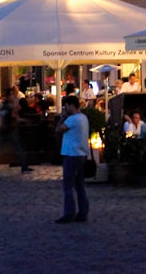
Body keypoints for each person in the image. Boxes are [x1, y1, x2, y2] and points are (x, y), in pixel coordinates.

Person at [54, 95, 91, 224]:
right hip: (82, 154)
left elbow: (58, 130)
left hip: (71, 155)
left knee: (68, 186)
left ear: (70, 105)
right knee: (80, 185)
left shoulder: (72, 120)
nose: (65, 108)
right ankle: (83, 212)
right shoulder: (84, 118)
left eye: (66, 106)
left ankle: (69, 213)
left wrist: (63, 117)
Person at [0, 90, 31, 173]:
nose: (13, 96)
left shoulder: (4, 106)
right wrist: (23, 120)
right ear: (9, 96)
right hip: (8, 130)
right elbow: (14, 117)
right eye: (12, 95)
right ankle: (24, 167)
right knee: (18, 149)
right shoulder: (8, 106)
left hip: (3, 130)